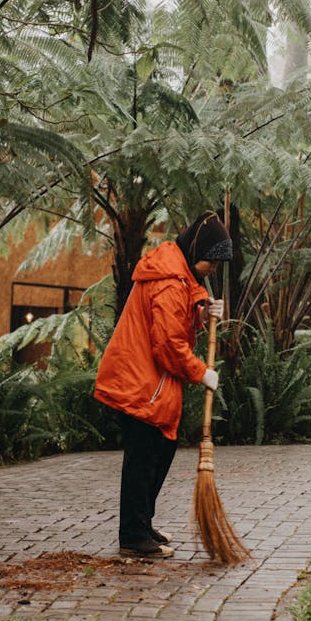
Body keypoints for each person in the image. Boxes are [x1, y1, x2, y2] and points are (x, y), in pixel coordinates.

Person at [94, 211, 232, 558]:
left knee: (160, 452)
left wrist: (203, 313)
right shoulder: (169, 281)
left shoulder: (179, 274)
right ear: (197, 250)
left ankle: (143, 524)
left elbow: (184, 306)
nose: (212, 270)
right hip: (139, 382)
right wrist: (201, 372)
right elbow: (168, 343)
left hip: (150, 382)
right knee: (143, 459)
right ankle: (133, 536)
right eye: (210, 263)